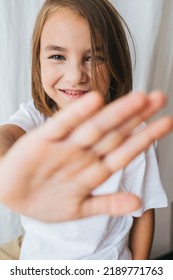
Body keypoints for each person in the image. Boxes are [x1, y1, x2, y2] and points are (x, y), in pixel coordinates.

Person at [0, 0, 172, 260]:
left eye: (93, 58)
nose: (75, 75)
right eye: (58, 56)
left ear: (114, 64)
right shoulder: (35, 117)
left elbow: (144, 213)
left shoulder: (132, 135)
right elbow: (6, 135)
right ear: (38, 61)